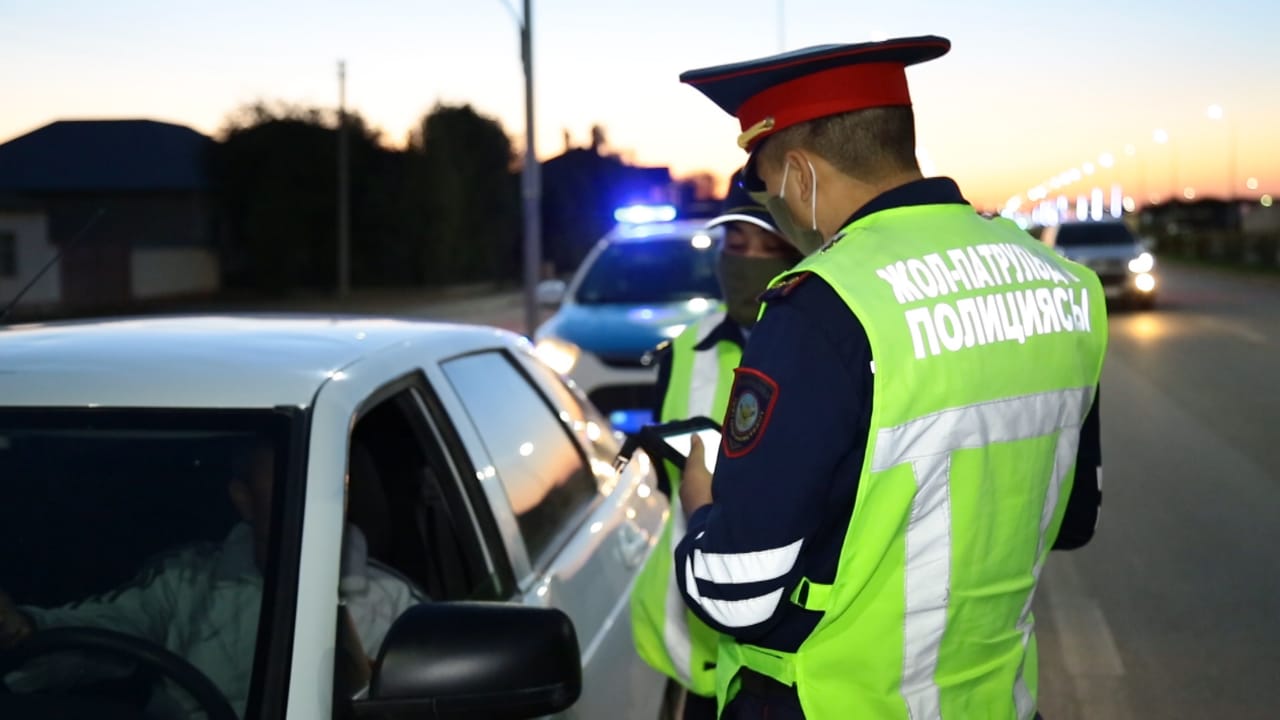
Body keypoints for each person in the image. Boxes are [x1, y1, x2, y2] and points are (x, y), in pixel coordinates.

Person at [670, 36, 1108, 719]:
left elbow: (735, 592)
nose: (775, 209)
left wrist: (701, 505)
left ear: (802, 176)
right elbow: (1072, 519)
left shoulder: (822, 306)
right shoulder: (1062, 283)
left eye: (768, 188)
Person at [0, 437, 423, 718]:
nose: (306, 504)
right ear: (244, 499)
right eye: (285, 488)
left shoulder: (391, 602)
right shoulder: (185, 583)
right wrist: (24, 629)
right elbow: (97, 633)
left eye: (323, 488)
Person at [631, 178, 803, 720]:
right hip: (699, 648)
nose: (747, 264)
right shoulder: (686, 348)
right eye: (736, 245)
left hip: (786, 659)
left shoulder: (825, 351)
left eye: (769, 248)